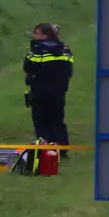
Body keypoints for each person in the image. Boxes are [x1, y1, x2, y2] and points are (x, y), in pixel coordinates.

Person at [23, 22, 73, 155]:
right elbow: (69, 71)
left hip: (40, 92)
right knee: (57, 121)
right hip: (59, 92)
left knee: (41, 122)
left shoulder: (38, 50)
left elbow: (28, 67)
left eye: (37, 34)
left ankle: (44, 151)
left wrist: (33, 47)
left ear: (45, 35)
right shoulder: (65, 50)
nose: (34, 36)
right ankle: (61, 149)